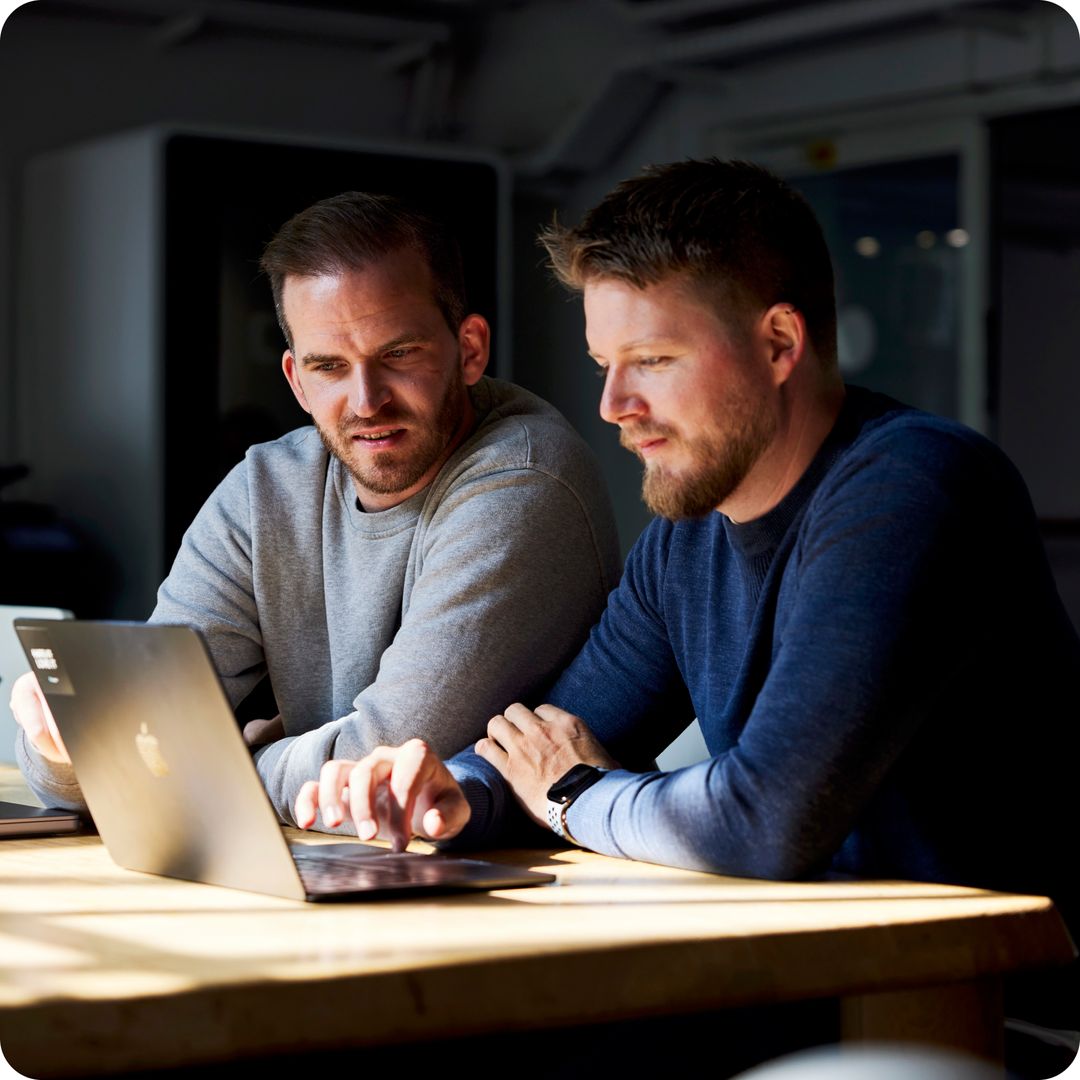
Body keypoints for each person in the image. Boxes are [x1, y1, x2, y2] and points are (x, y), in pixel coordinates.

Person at [296, 161, 1080, 940]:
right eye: (606, 366)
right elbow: (549, 736)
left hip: (998, 1013)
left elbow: (759, 820)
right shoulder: (686, 536)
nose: (613, 408)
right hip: (819, 969)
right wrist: (454, 795)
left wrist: (572, 795)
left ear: (778, 344)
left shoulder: (912, 488)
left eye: (655, 362)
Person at [11, 191, 621, 826]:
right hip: (340, 866)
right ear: (296, 379)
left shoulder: (522, 478)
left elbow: (382, 763)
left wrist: (212, 765)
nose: (366, 400)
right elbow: (125, 739)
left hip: (511, 886)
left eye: (398, 354)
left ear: (469, 349)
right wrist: (64, 747)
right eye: (330, 366)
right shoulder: (265, 488)